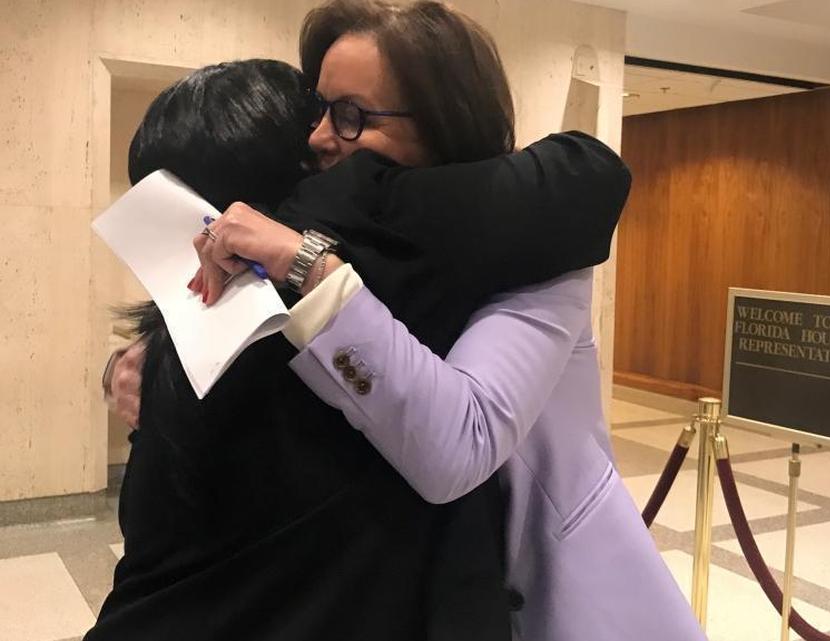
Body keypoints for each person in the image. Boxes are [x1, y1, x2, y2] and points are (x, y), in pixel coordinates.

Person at [184, 2, 707, 639]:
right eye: (317, 110)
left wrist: (310, 271)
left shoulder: (539, 249)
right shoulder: (355, 231)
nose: (319, 137)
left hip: (541, 594)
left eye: (350, 115)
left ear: (442, 120)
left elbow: (458, 444)